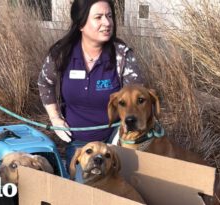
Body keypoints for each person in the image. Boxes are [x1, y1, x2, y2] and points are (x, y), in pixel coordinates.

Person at [38, 0, 144, 172]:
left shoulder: (122, 55)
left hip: (116, 142)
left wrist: (122, 133)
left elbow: (137, 97)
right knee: (83, 190)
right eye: (99, 17)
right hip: (80, 144)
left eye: (109, 16)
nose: (107, 23)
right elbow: (44, 83)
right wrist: (55, 117)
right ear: (81, 23)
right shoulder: (61, 53)